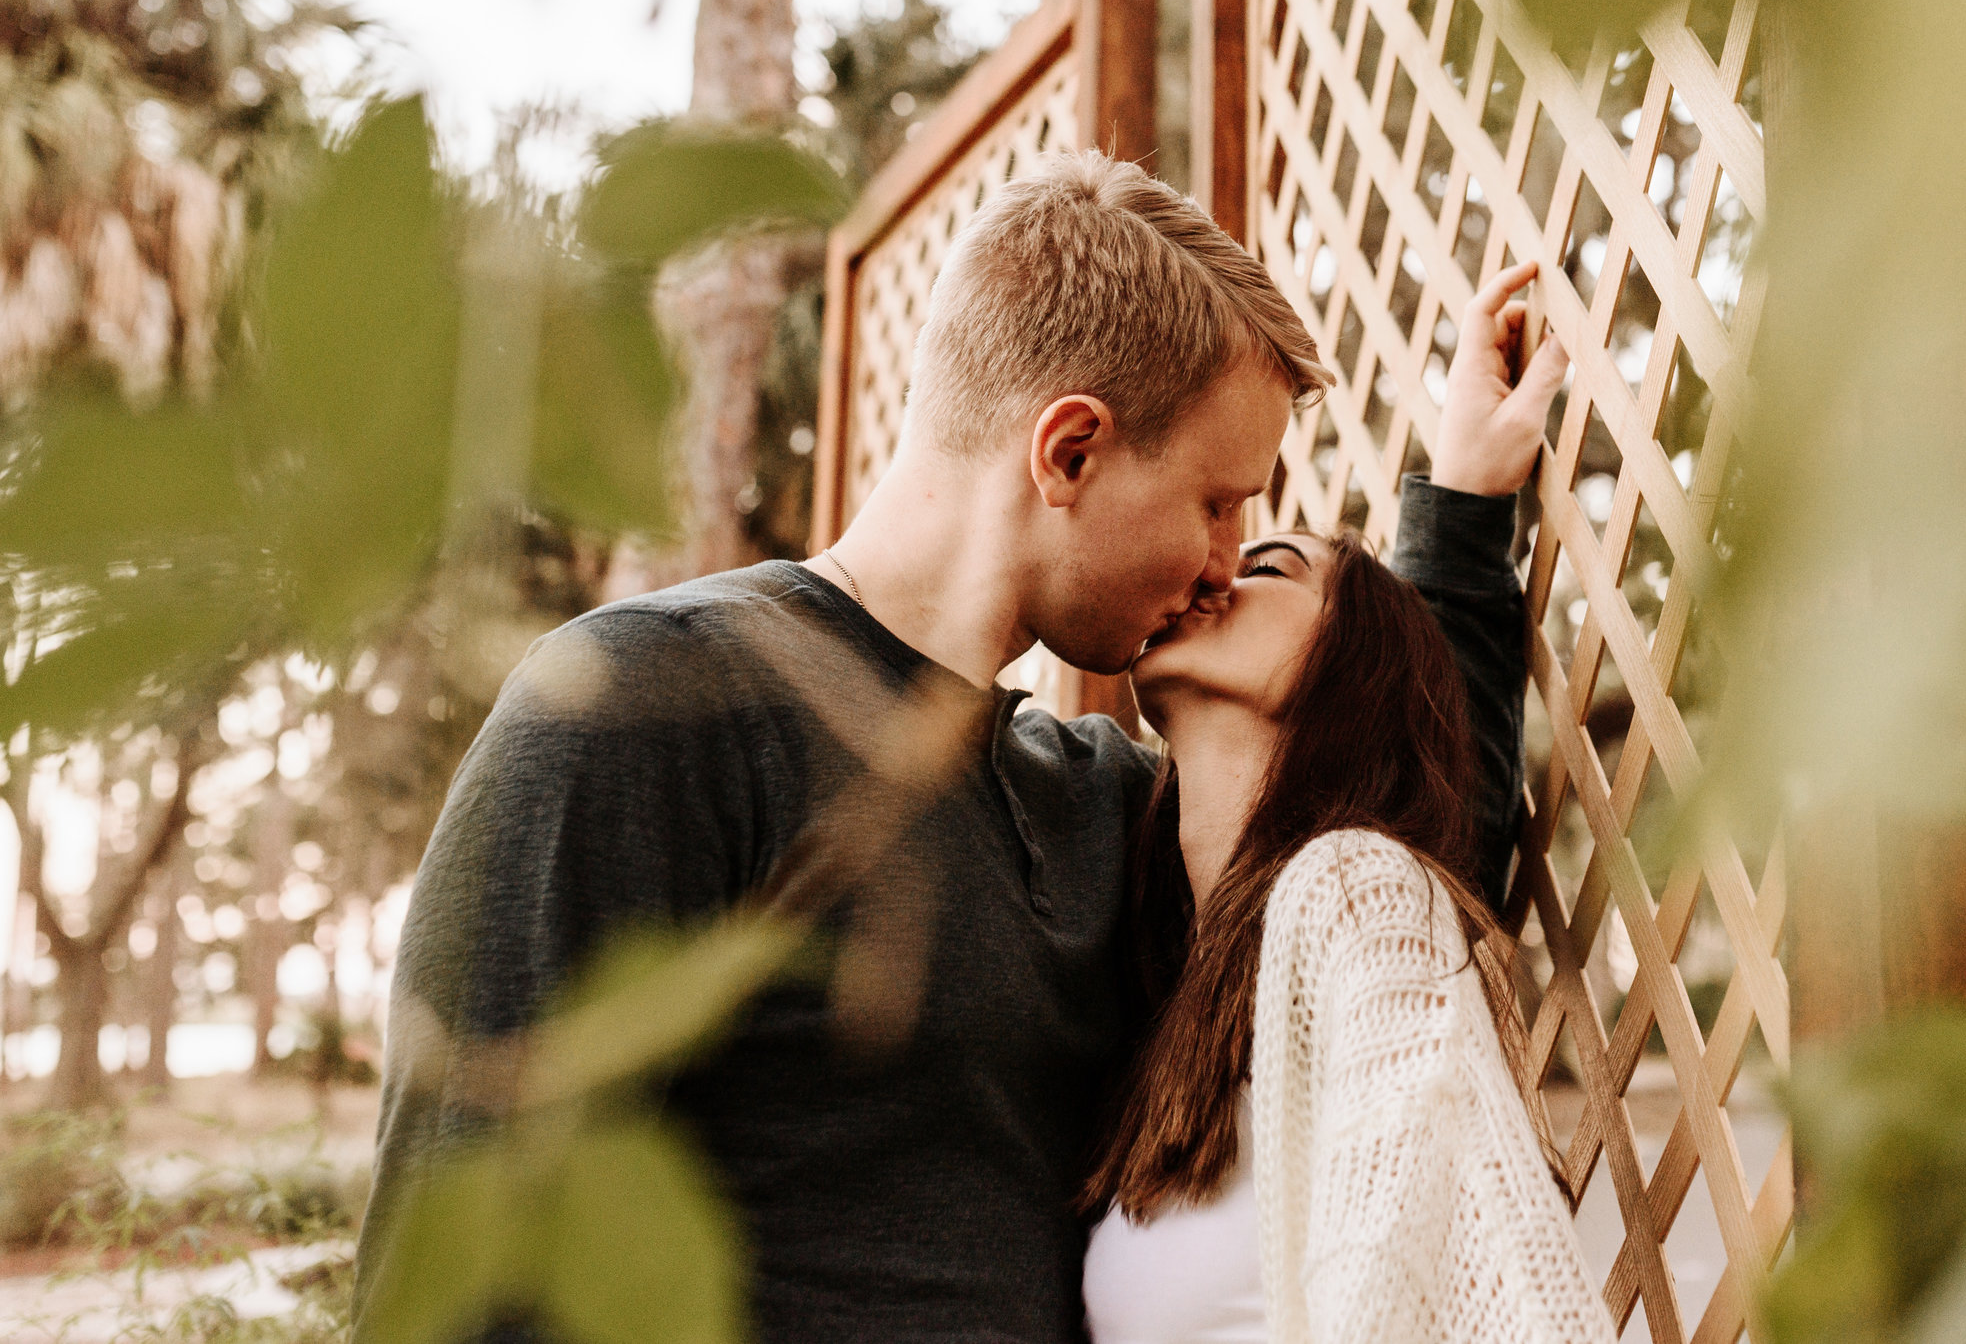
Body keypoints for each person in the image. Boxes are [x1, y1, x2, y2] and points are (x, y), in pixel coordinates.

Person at [352, 149, 1567, 1344]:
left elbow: (1386, 818)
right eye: (1216, 503)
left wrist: (1459, 512)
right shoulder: (647, 705)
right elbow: (463, 1253)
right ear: (1070, 450)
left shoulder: (1101, 816)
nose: (1217, 564)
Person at [1079, 528, 1612, 1344]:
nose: (1212, 573)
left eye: (1268, 568)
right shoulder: (1186, 998)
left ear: (1356, 666)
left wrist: (1460, 520)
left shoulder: (1360, 891)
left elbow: (1403, 1260)